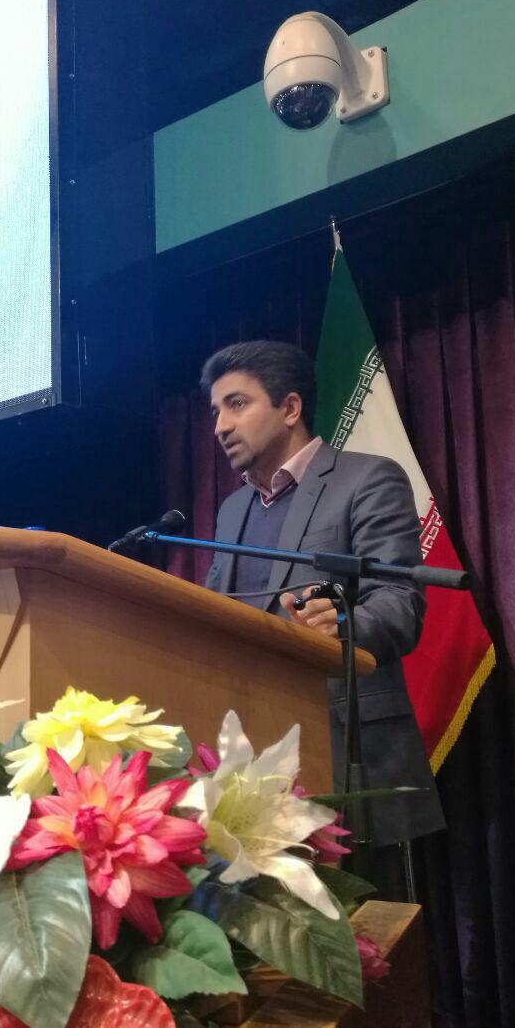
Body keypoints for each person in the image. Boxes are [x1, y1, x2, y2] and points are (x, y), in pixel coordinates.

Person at [200, 339, 444, 899]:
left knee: (374, 935)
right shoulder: (232, 510)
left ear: (290, 407)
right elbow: (216, 613)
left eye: (236, 404)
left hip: (348, 756)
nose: (220, 426)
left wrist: (342, 623)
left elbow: (400, 602)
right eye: (215, 411)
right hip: (252, 770)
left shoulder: (367, 479)